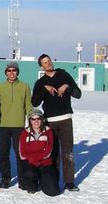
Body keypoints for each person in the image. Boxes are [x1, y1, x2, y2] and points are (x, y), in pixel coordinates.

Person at [32, 54, 82, 192]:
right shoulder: (40, 82)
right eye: (44, 63)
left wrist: (67, 86)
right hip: (50, 122)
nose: (48, 64)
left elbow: (78, 93)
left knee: (68, 152)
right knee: (53, 153)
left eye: (49, 61)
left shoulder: (64, 75)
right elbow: (35, 102)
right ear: (41, 66)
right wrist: (44, 89)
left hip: (65, 119)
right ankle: (54, 181)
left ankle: (69, 182)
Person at [0, 62, 33, 189]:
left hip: (19, 126)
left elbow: (28, 105)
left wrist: (31, 122)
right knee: (3, 154)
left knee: (21, 154)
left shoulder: (25, 86)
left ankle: (23, 180)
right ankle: (5, 178)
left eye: (14, 70)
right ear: (5, 73)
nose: (11, 73)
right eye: (9, 70)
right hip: (3, 125)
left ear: (17, 72)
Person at [19, 109, 60, 196]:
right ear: (30, 121)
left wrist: (36, 158)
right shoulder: (24, 133)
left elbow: (48, 151)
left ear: (42, 120)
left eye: (38, 118)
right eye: (33, 119)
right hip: (31, 164)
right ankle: (33, 183)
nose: (36, 121)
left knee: (53, 192)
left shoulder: (49, 132)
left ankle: (43, 180)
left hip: (45, 163)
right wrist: (33, 160)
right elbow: (22, 153)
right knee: (30, 180)